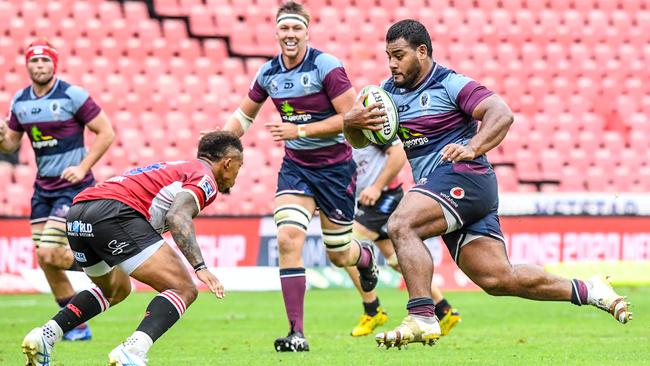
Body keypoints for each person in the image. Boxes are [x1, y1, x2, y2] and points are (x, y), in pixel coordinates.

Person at [343, 20, 632, 349]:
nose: (392, 63)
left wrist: (474, 146)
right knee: (496, 278)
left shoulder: (450, 84)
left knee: (401, 223)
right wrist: (350, 123)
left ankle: (423, 315)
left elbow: (501, 112)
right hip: (444, 189)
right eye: (388, 56)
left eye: (399, 55)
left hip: (464, 177)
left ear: (421, 52)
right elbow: (359, 140)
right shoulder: (387, 95)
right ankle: (591, 291)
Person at [221, 1, 378, 352]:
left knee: (339, 253)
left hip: (336, 170)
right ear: (276, 32)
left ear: (307, 32)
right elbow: (243, 118)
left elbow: (355, 117)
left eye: (296, 29)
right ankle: (296, 333)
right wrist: (218, 143)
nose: (290, 35)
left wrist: (300, 131)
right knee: (289, 238)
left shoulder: (327, 66)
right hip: (297, 169)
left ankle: (364, 257)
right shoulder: (268, 73)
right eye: (284, 29)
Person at [21, 131, 243, 366]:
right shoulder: (205, 177)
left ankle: (46, 335)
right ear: (227, 163)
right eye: (239, 167)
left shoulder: (180, 167)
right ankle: (133, 351)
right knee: (183, 288)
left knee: (115, 289)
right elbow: (178, 216)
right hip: (114, 214)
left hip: (79, 213)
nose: (237, 176)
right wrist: (200, 267)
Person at [0, 39, 114, 341]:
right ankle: (77, 326)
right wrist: (1, 138)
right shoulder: (20, 102)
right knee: (45, 258)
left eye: (45, 61)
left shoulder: (72, 95)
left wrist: (83, 166)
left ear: (55, 64)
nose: (40, 66)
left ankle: (111, 272)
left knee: (50, 251)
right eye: (34, 62)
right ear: (27, 66)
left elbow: (106, 132)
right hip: (43, 190)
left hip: (74, 187)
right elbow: (11, 144)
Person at [344, 137, 461, 337]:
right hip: (366, 200)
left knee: (345, 247)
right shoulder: (336, 126)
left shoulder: (368, 120)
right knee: (398, 260)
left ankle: (373, 310)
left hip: (384, 196)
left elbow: (398, 153)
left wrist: (377, 186)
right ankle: (444, 310)